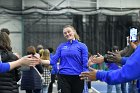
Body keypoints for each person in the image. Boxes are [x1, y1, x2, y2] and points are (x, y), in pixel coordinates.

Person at [40, 25, 89, 93]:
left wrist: (85, 73)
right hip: (63, 77)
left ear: (74, 32)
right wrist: (40, 61)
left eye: (69, 32)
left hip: (78, 76)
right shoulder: (61, 46)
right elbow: (53, 61)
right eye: (65, 33)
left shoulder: (82, 46)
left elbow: (85, 62)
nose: (67, 34)